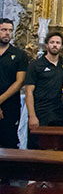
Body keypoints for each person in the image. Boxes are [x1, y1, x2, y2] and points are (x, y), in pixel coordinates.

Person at [24, 32, 63, 148]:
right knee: (37, 148)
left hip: (57, 112)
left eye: (58, 43)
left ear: (61, 46)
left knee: (57, 147)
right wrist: (32, 116)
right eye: (52, 42)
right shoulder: (36, 65)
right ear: (46, 45)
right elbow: (28, 92)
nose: (55, 45)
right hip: (40, 112)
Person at [0, 18, 28, 148]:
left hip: (10, 105)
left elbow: (20, 81)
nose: (7, 33)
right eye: (4, 30)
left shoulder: (19, 54)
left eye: (10, 30)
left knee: (8, 143)